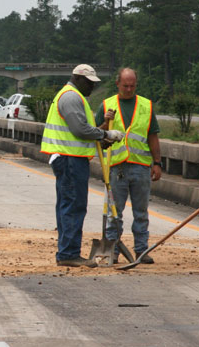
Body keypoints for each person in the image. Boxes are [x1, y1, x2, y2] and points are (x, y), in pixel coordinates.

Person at [40, 64, 124, 268]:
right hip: (70, 160)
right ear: (77, 78)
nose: (91, 87)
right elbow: (79, 129)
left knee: (68, 205)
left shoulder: (74, 96)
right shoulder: (71, 97)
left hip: (70, 159)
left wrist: (101, 135)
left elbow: (82, 131)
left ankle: (66, 251)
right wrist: (105, 134)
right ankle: (69, 253)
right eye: (88, 83)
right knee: (73, 206)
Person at [94, 67, 163, 264]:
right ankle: (112, 251)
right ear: (117, 84)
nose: (129, 89)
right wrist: (106, 124)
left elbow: (152, 136)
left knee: (141, 212)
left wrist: (157, 163)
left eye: (132, 86)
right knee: (114, 212)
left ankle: (142, 250)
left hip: (140, 167)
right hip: (116, 168)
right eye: (125, 86)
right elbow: (98, 136)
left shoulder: (146, 106)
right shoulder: (107, 105)